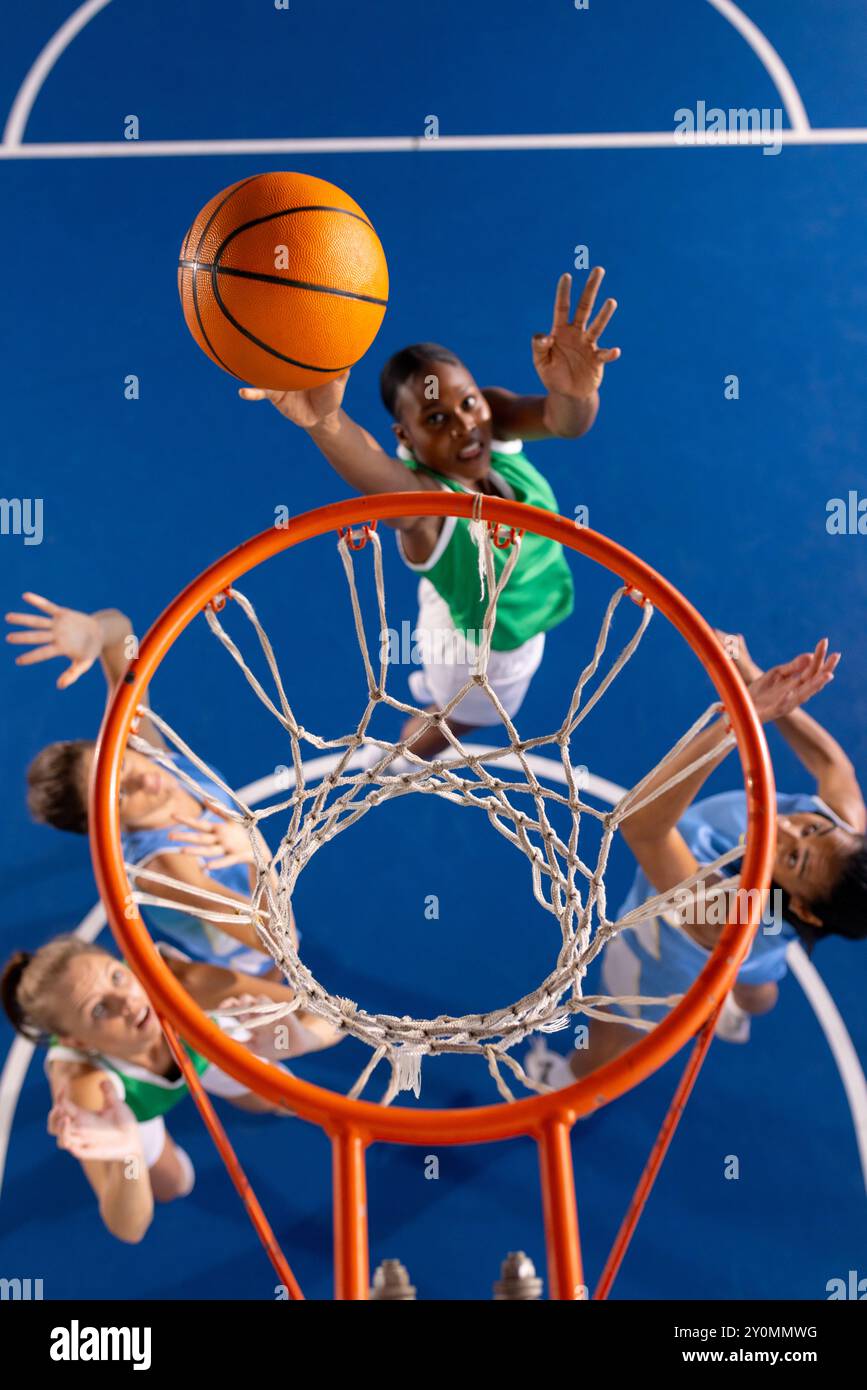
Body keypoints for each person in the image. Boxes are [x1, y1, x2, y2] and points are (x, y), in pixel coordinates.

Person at [241, 268, 620, 758]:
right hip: (479, 654)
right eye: (437, 419)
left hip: (464, 587)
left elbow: (564, 423)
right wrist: (327, 423)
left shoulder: (490, 419)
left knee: (450, 577)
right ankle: (399, 757)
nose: (465, 426)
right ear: (406, 438)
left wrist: (575, 392)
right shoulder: (423, 504)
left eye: (468, 402)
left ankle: (425, 676)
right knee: (458, 717)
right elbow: (375, 473)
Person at [526, 635, 867, 1088]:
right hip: (767, 944)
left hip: (659, 961)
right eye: (811, 828)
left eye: (795, 856)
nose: (786, 827)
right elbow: (830, 763)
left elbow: (643, 826)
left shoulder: (721, 918)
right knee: (759, 984)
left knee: (610, 1026)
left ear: (803, 907)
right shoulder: (842, 829)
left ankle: (566, 1078)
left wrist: (741, 720)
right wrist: (755, 675)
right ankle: (741, 1003)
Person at [6, 593, 287, 975]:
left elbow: (120, 634)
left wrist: (94, 631)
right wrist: (257, 856)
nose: (138, 779)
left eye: (119, 767)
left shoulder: (150, 756)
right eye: (119, 796)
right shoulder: (167, 864)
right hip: (260, 964)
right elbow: (275, 943)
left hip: (270, 898)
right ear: (109, 824)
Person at [0, 936, 341, 1242]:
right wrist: (128, 1155)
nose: (128, 1002)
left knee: (282, 1098)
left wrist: (300, 1039)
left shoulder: (177, 982)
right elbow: (128, 1227)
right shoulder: (88, 1087)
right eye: (100, 1009)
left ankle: (260, 1083)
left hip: (201, 1048)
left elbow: (329, 1014)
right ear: (76, 1040)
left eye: (117, 976)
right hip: (132, 1107)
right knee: (173, 1185)